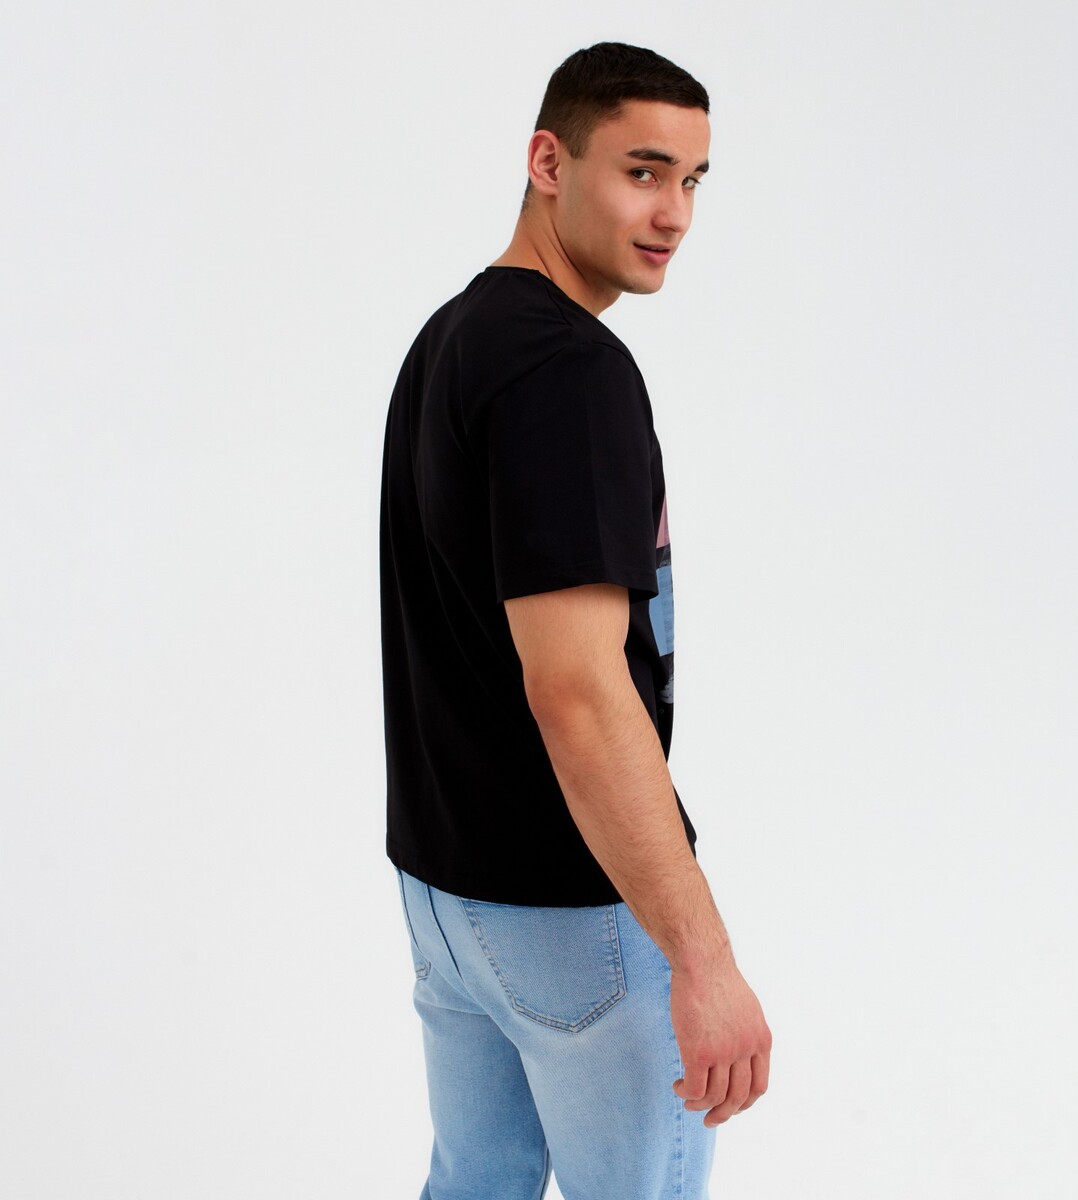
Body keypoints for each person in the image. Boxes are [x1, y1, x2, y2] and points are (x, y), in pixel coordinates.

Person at [379, 41, 772, 1200]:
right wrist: (704, 958)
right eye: (643, 172)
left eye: (693, 180)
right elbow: (580, 690)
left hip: (448, 895)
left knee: (475, 1184)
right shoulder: (568, 370)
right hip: (570, 912)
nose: (675, 214)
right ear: (549, 161)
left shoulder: (452, 340)